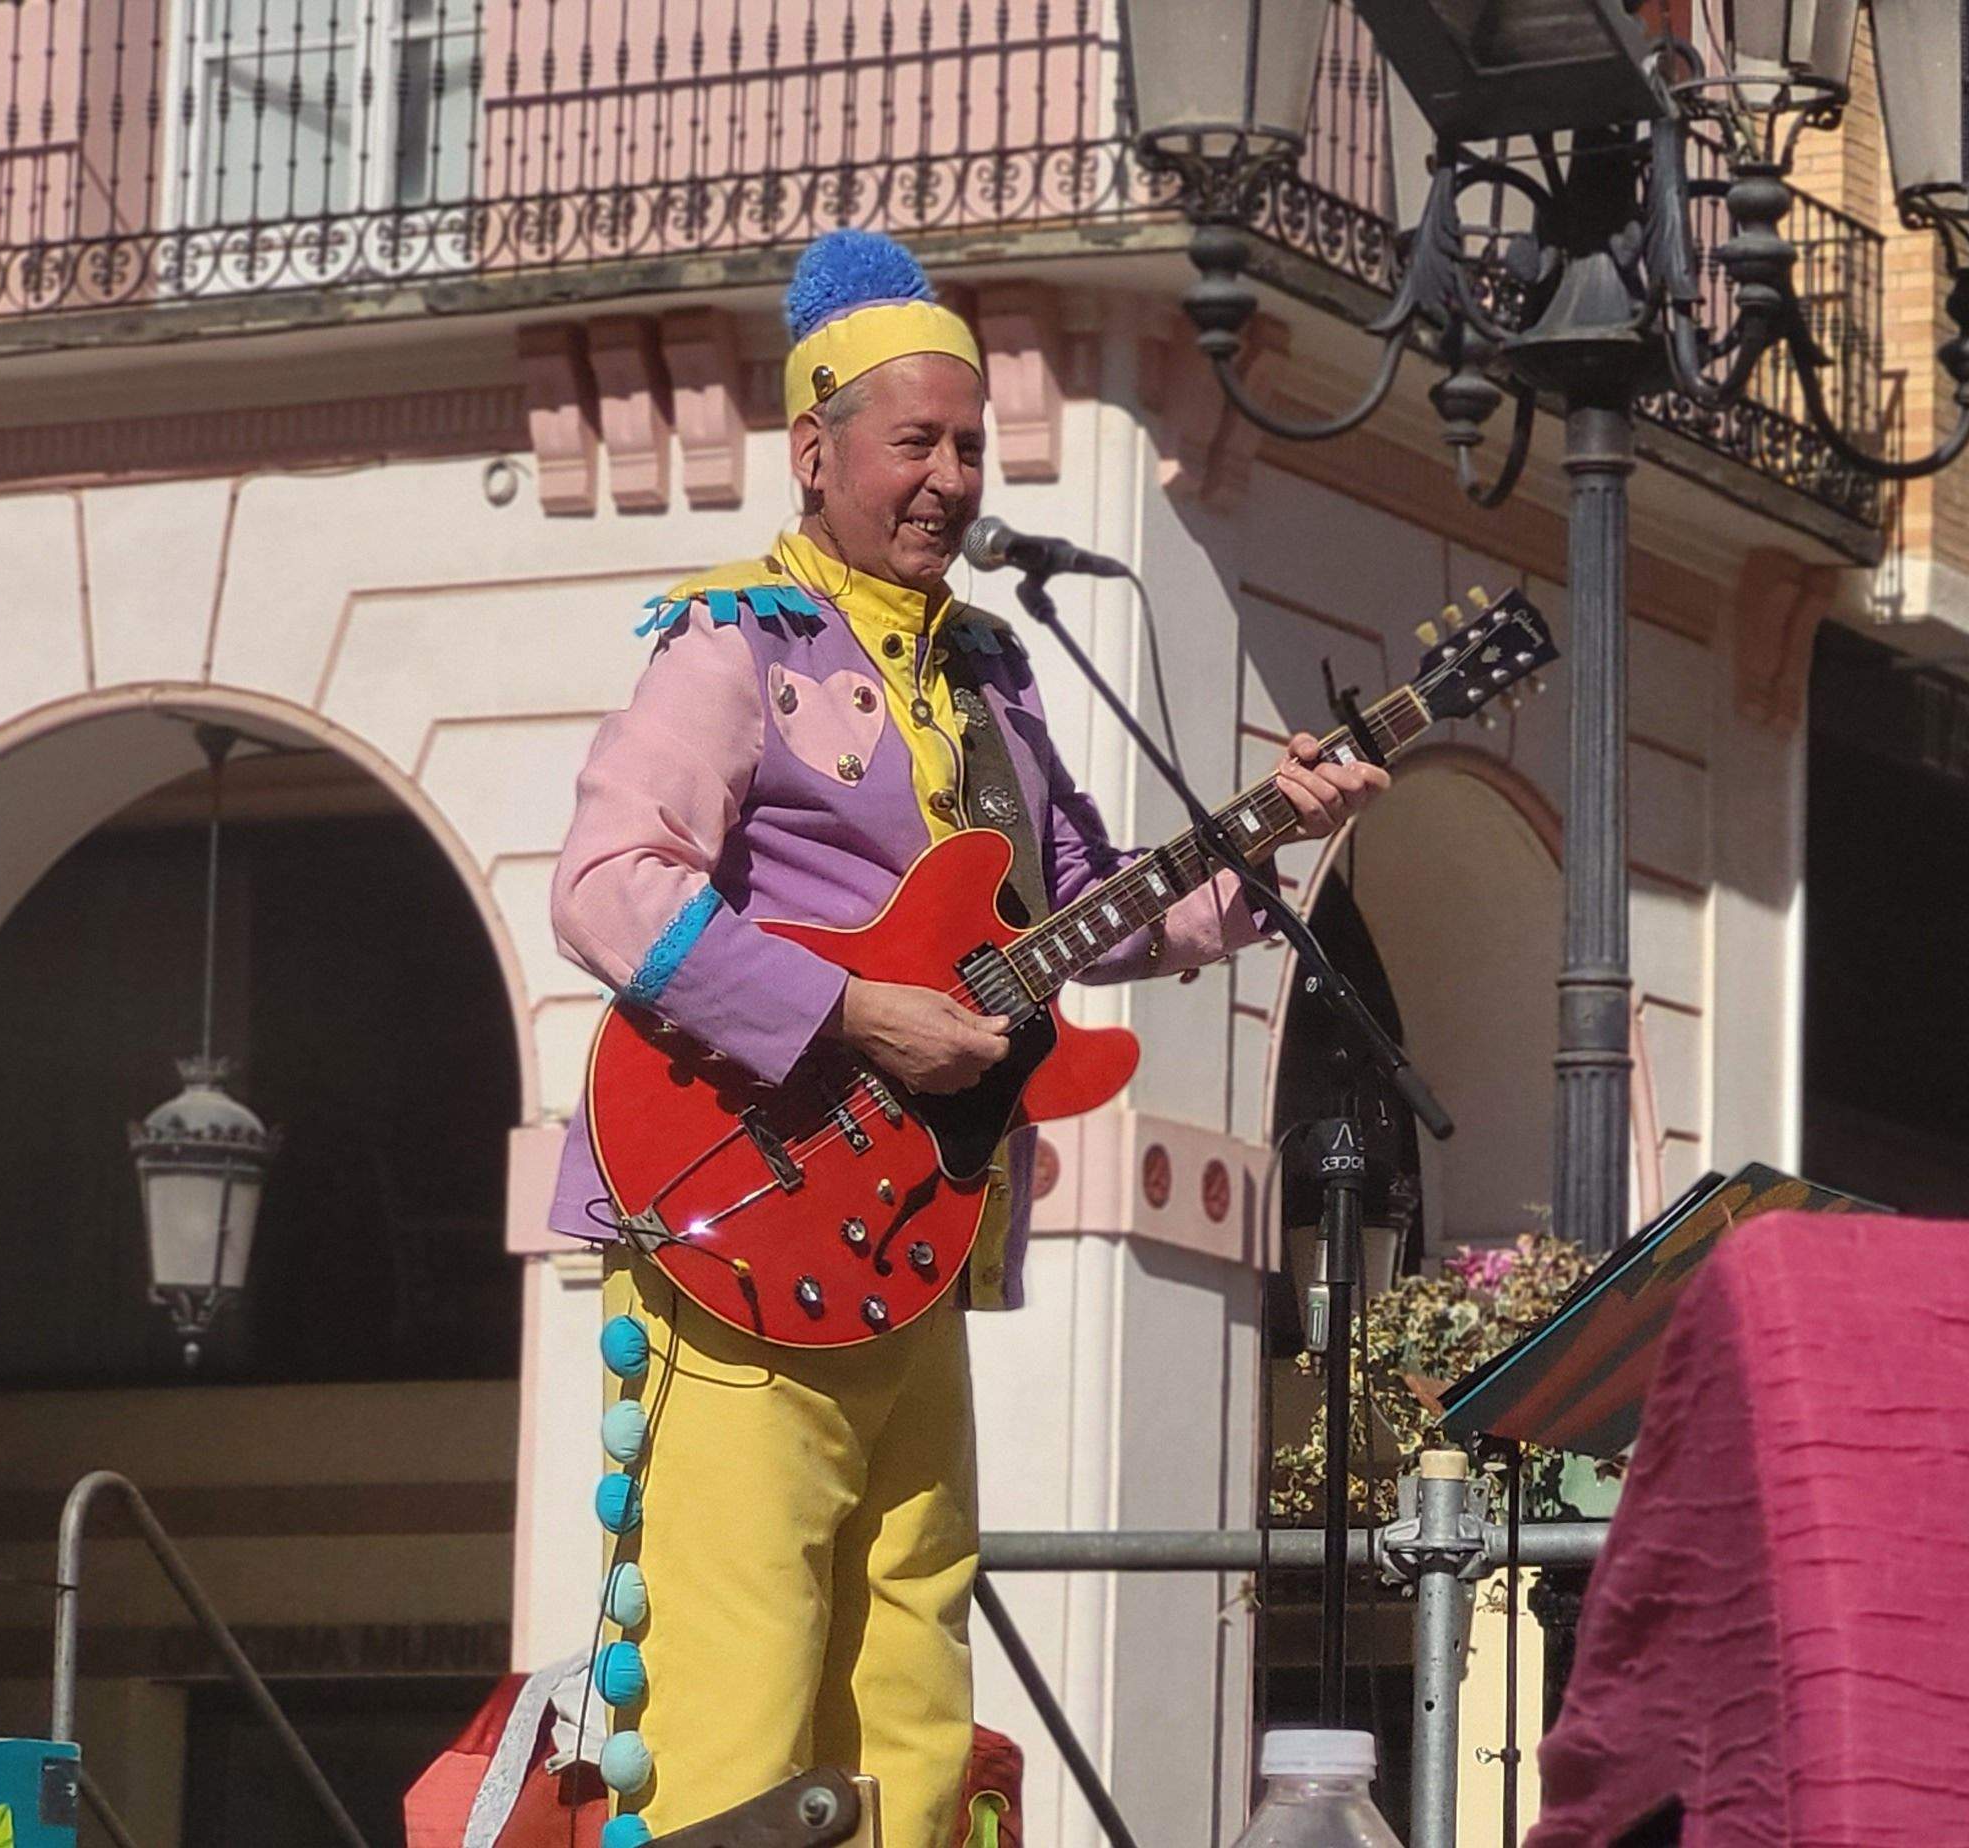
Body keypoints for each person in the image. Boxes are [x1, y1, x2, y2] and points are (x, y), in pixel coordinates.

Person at [541, 227, 1387, 1848]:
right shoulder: (734, 641)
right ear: (814, 450)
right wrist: (847, 1008)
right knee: (740, 1676)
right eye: (913, 443)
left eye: (969, 447)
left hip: (910, 1234)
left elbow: (1092, 910)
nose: (948, 480)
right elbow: (606, 886)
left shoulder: (995, 668)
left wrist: (1274, 830)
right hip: (737, 1212)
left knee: (914, 1667)